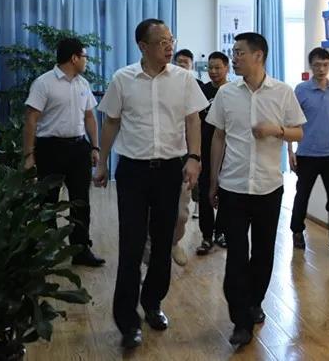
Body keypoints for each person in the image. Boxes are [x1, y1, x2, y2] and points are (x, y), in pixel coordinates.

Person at [93, 19, 207, 349]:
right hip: (132, 171)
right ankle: (127, 321)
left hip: (170, 170)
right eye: (161, 42)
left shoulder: (184, 79)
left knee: (162, 242)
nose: (169, 47)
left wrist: (194, 157)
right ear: (143, 46)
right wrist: (102, 162)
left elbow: (193, 120)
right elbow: (111, 122)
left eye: (171, 40)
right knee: (130, 244)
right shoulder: (123, 79)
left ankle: (153, 302)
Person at [206, 32, 306, 346]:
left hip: (268, 187)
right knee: (236, 255)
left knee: (263, 254)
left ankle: (253, 303)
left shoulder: (282, 92)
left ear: (258, 55)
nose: (233, 58)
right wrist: (213, 181)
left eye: (239, 53)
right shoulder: (226, 94)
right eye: (233, 52)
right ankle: (241, 321)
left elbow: (299, 132)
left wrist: (276, 130)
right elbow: (218, 137)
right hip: (233, 186)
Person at [23, 37, 105, 267]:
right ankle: (47, 250)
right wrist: (28, 156)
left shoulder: (83, 84)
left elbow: (90, 117)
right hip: (50, 148)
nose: (86, 61)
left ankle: (81, 250)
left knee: (81, 201)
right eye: (85, 56)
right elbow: (31, 119)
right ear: (74, 58)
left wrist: (95, 146)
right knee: (48, 201)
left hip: (79, 148)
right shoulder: (44, 83)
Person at [288, 47, 329, 264]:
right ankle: (297, 230)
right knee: (302, 196)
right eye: (317, 65)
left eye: (325, 64)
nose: (321, 69)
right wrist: (291, 151)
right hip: (307, 154)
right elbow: (291, 121)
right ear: (311, 66)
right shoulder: (301, 90)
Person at [167, 48, 200, 266]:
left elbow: (196, 123)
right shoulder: (165, 85)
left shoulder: (193, 86)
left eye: (185, 62)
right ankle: (150, 251)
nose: (181, 66)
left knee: (181, 212)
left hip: (185, 157)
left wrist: (196, 157)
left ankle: (174, 242)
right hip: (162, 156)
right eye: (178, 62)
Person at [195, 51, 230, 255]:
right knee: (205, 192)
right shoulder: (202, 91)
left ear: (227, 68)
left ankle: (221, 232)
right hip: (204, 152)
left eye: (218, 67)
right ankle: (207, 236)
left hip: (229, 153)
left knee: (226, 193)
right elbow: (194, 122)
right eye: (210, 67)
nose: (213, 71)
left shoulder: (233, 91)